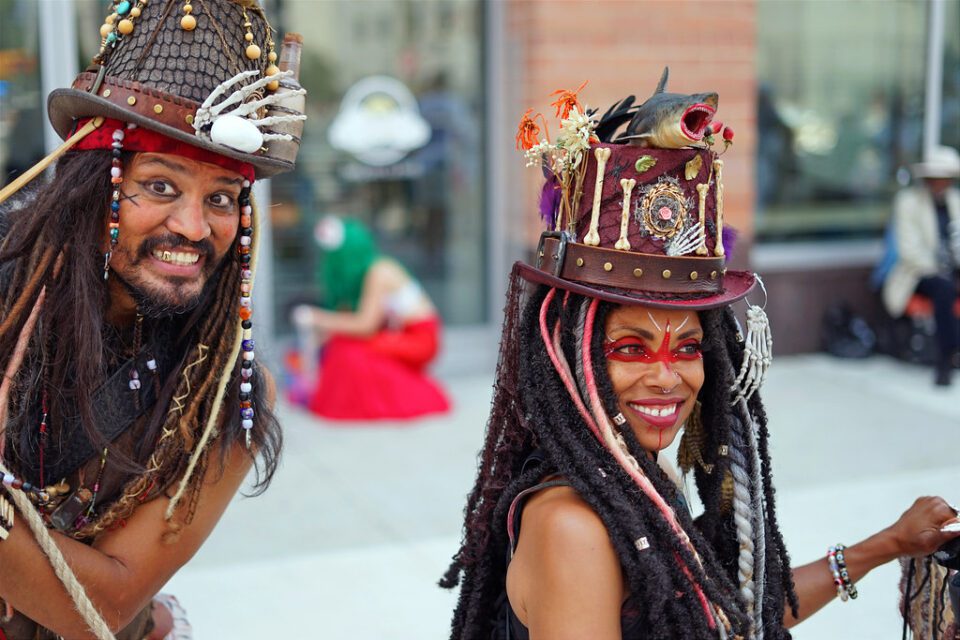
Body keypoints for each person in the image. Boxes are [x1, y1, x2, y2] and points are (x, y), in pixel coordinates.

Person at [440, 79, 960, 639]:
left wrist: (886, 545)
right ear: (568, 356)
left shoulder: (633, 475)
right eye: (630, 348)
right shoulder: (575, 525)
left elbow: (726, 622)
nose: (667, 377)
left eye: (687, 348)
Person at [0, 2, 305, 638]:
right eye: (161, 186)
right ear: (92, 185)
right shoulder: (10, 282)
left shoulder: (228, 390)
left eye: (220, 198)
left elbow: (103, 609)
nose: (193, 229)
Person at [291, 215, 450, 421]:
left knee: (349, 352)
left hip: (419, 338)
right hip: (398, 333)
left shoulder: (378, 271)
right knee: (343, 346)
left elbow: (365, 325)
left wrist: (317, 317)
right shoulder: (370, 271)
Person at [882, 145, 960, 386]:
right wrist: (943, 270)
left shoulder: (955, 201)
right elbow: (910, 252)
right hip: (917, 274)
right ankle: (945, 358)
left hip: (952, 268)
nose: (940, 183)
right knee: (944, 289)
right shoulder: (909, 202)